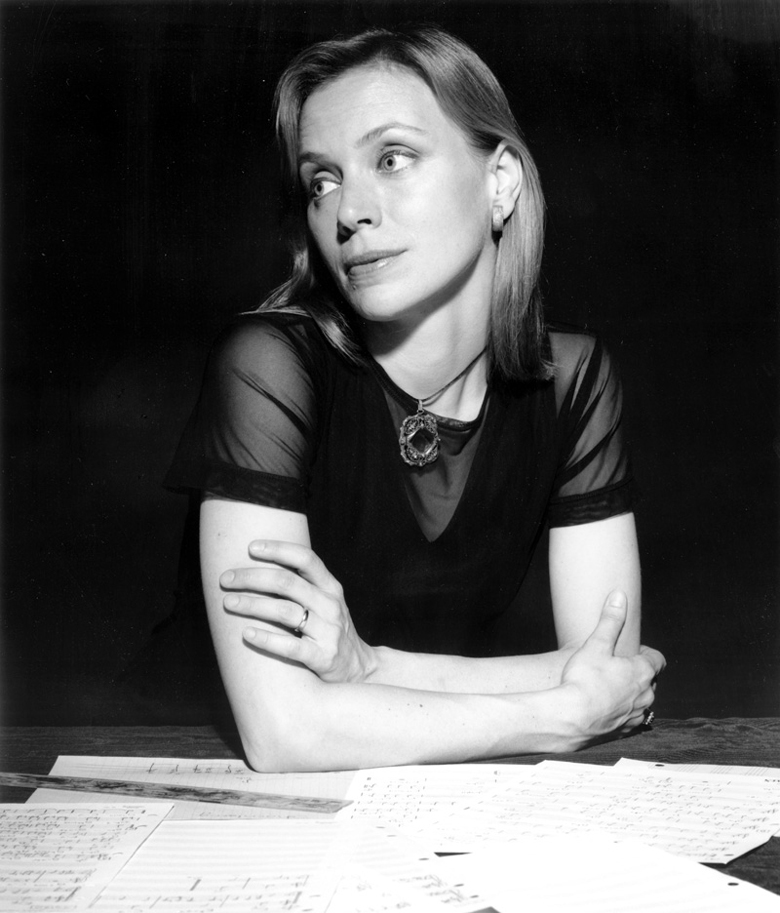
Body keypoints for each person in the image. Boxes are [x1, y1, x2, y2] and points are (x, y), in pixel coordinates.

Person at [165, 25, 665, 772]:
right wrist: (551, 713)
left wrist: (369, 667)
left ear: (500, 182)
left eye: (392, 158)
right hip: (171, 780)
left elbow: (610, 671)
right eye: (322, 180)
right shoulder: (268, 365)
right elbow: (284, 733)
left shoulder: (572, 376)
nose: (348, 211)